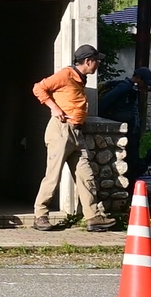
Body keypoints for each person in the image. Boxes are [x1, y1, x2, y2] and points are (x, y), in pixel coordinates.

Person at [31, 45, 114, 232]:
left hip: (77, 133)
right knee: (53, 175)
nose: (98, 64)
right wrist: (54, 107)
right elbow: (39, 88)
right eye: (97, 61)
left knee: (86, 175)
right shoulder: (66, 75)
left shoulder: (80, 79)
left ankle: (93, 217)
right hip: (60, 131)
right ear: (88, 61)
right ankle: (40, 215)